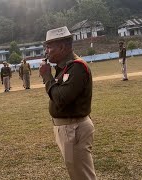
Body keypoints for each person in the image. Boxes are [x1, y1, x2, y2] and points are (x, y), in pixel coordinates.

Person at [39, 26, 97, 180]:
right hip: (69, 128)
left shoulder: (77, 67)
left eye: (49, 46)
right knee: (77, 173)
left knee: (82, 175)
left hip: (73, 129)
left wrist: (46, 77)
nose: (46, 51)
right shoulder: (64, 67)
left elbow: (61, 98)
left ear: (62, 47)